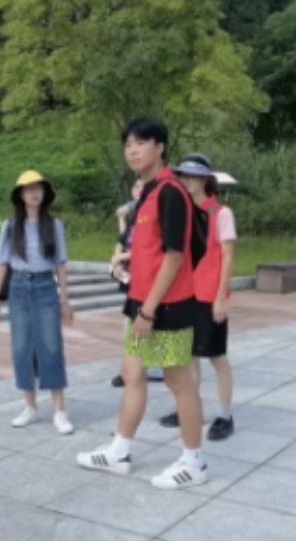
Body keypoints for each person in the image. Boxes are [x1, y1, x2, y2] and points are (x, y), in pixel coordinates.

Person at [76, 117, 208, 490]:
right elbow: (149, 250)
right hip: (140, 301)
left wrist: (149, 310)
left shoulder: (170, 192)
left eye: (141, 142)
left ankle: (194, 462)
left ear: (160, 147)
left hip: (167, 306)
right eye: (128, 144)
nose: (132, 150)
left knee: (178, 380)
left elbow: (175, 256)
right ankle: (119, 452)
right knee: (132, 373)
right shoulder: (147, 193)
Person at [158, 154, 237, 442]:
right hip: (184, 295)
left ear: (205, 179)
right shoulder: (183, 212)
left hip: (209, 295)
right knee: (188, 355)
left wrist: (220, 298)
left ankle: (225, 414)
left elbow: (228, 258)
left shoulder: (221, 213)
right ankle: (191, 410)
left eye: (193, 176)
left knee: (216, 356)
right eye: (183, 175)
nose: (187, 180)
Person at [0, 171, 75, 435]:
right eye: (28, 189)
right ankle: (30, 406)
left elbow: (60, 264)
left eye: (38, 188)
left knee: (51, 346)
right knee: (21, 347)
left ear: (44, 193)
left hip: (45, 287)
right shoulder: (10, 226)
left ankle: (59, 410)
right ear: (20, 195)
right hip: (18, 288)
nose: (34, 193)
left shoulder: (54, 225)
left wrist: (64, 299)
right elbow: (2, 263)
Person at [111, 178, 163, 388]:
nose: (139, 190)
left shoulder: (154, 217)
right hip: (132, 278)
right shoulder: (134, 217)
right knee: (131, 322)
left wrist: (121, 257)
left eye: (143, 186)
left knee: (143, 320)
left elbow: (147, 249)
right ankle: (130, 368)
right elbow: (123, 239)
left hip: (148, 278)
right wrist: (116, 261)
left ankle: (145, 367)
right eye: (136, 186)